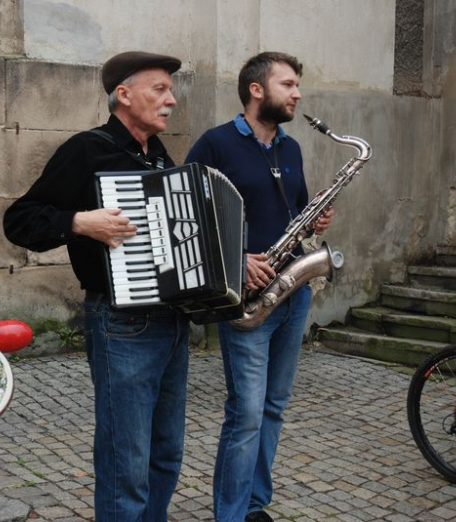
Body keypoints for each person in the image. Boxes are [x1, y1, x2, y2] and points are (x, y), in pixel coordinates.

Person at [3, 51, 189, 521]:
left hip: (172, 320)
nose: (172, 99)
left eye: (171, 89)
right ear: (123, 95)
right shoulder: (86, 149)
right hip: (121, 324)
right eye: (159, 89)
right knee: (126, 462)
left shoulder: (157, 155)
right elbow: (20, 220)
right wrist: (80, 221)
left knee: (165, 454)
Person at [185, 52, 335, 522]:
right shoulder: (215, 145)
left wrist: (316, 218)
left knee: (273, 407)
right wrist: (234, 261)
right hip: (246, 297)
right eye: (288, 84)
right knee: (246, 413)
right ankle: (229, 514)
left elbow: (295, 209)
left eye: (297, 86)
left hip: (292, 292)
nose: (297, 93)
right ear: (256, 89)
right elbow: (186, 219)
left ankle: (254, 506)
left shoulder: (290, 149)